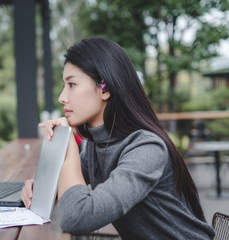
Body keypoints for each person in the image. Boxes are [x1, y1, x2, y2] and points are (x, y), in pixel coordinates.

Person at [21, 38, 215, 239]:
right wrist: (41, 190)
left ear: (104, 88)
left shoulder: (146, 148)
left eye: (72, 84)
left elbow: (77, 218)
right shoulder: (96, 146)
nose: (62, 97)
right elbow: (72, 192)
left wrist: (68, 145)